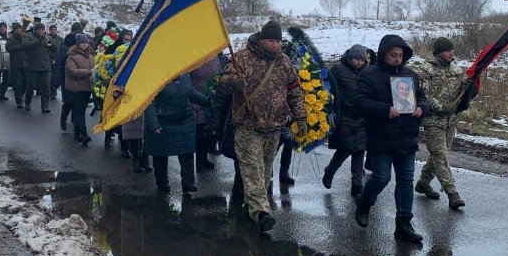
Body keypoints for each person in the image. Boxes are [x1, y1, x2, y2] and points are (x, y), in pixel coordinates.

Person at [218, 19, 307, 234]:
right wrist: (234, 82)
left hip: (274, 127)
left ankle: (251, 204)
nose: (276, 45)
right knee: (253, 170)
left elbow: (294, 91)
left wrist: (300, 117)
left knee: (266, 171)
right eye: (271, 41)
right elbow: (223, 79)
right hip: (248, 126)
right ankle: (261, 212)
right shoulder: (242, 58)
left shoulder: (284, 62)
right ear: (261, 40)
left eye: (278, 41)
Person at [354, 35, 429, 244]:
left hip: (407, 137)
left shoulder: (410, 75)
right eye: (393, 55)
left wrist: (422, 108)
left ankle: (404, 223)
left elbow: (422, 97)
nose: (397, 59)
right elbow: (359, 101)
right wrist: (384, 109)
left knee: (406, 180)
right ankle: (364, 202)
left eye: (400, 55)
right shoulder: (370, 75)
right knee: (382, 177)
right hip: (381, 138)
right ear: (383, 54)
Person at [413, 37, 469, 209]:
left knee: (439, 154)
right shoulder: (425, 70)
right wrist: (442, 107)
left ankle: (423, 183)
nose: (451, 53)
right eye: (447, 51)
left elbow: (463, 89)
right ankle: (452, 192)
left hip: (451, 120)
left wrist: (471, 86)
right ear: (438, 52)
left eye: (452, 50)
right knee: (440, 154)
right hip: (432, 119)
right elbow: (424, 95)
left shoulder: (456, 70)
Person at [144, 73, 210, 194]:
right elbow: (149, 102)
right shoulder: (155, 75)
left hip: (184, 119)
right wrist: (154, 124)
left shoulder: (184, 73)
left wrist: (207, 100)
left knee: (187, 151)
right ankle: (162, 183)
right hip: (162, 119)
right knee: (160, 153)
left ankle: (188, 183)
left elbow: (190, 92)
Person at [324, 44, 376, 197]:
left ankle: (357, 183)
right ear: (350, 58)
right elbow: (327, 86)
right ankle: (330, 170)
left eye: (363, 60)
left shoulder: (367, 72)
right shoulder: (338, 69)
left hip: (362, 116)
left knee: (360, 149)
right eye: (357, 59)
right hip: (344, 116)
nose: (360, 62)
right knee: (346, 148)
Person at [63, 33, 94, 143]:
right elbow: (73, 71)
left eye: (86, 42)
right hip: (77, 88)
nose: (85, 44)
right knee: (80, 111)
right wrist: (89, 72)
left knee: (79, 111)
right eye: (82, 43)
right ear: (78, 44)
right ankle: (84, 134)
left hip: (87, 87)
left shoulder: (90, 56)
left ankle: (77, 134)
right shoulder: (72, 57)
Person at [25, 22, 58, 113]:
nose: (41, 32)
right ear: (35, 30)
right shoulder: (29, 37)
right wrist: (39, 40)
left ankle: (45, 106)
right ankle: (27, 102)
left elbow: (55, 49)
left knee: (46, 87)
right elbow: (26, 46)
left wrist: (52, 45)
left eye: (43, 30)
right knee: (31, 86)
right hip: (33, 67)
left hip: (46, 67)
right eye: (39, 30)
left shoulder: (48, 38)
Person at [6, 22, 31, 108]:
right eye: (17, 29)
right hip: (15, 64)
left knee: (26, 82)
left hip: (25, 63)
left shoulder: (25, 37)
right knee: (17, 84)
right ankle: (19, 100)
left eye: (20, 29)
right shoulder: (11, 38)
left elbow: (29, 47)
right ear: (14, 30)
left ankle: (21, 94)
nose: (19, 30)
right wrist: (21, 46)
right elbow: (8, 48)